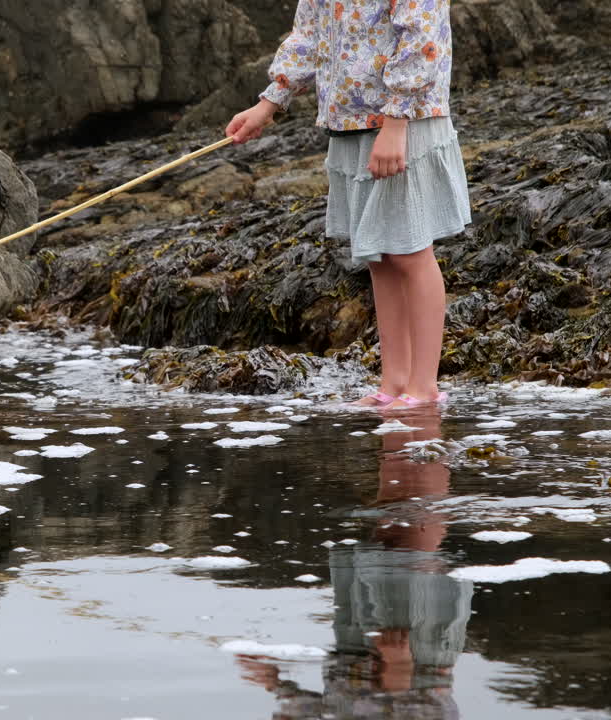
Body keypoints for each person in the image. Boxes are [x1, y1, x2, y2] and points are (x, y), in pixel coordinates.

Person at [225, 0, 471, 410]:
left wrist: (395, 125)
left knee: (410, 252)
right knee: (381, 256)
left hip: (405, 122)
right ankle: (393, 383)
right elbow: (307, 36)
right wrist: (267, 105)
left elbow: (421, 38)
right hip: (348, 124)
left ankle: (424, 387)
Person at [235, 407, 471, 718]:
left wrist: (277, 685)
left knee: (392, 519)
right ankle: (418, 410)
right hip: (411, 660)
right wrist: (398, 673)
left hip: (356, 656)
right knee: (411, 528)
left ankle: (411, 409)